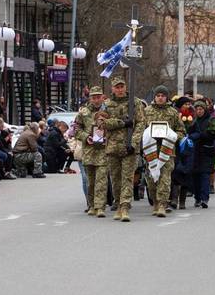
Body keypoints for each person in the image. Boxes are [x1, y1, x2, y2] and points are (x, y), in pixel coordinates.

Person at [103, 76, 145, 222]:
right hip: (112, 147)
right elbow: (102, 123)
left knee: (127, 177)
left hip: (129, 148)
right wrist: (121, 123)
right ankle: (117, 202)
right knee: (115, 179)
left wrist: (134, 143)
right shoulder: (107, 104)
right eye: (117, 87)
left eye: (122, 87)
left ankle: (125, 206)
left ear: (126, 87)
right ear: (112, 88)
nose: (120, 90)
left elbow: (140, 123)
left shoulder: (135, 102)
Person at [142, 85, 185, 217]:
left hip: (167, 151)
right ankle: (155, 202)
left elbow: (181, 130)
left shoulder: (172, 112)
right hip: (151, 150)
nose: (160, 98)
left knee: (165, 179)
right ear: (154, 97)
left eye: (163, 96)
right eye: (158, 95)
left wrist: (172, 136)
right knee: (151, 179)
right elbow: (141, 128)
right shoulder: (146, 111)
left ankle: (162, 204)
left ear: (166, 97)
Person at [75, 87, 109, 216]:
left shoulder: (108, 110)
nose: (96, 100)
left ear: (102, 97)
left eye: (98, 97)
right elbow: (76, 129)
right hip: (89, 150)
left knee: (101, 180)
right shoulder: (83, 112)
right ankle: (91, 205)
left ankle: (100, 206)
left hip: (103, 150)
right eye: (93, 97)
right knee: (90, 181)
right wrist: (85, 137)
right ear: (90, 98)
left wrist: (108, 137)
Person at [187, 100, 215, 208]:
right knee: (195, 176)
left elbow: (214, 135)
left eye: (201, 109)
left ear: (204, 109)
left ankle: (205, 198)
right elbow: (189, 133)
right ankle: (197, 198)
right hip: (195, 151)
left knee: (205, 175)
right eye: (197, 109)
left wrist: (202, 135)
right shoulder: (192, 121)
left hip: (207, 150)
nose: (199, 111)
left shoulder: (211, 120)